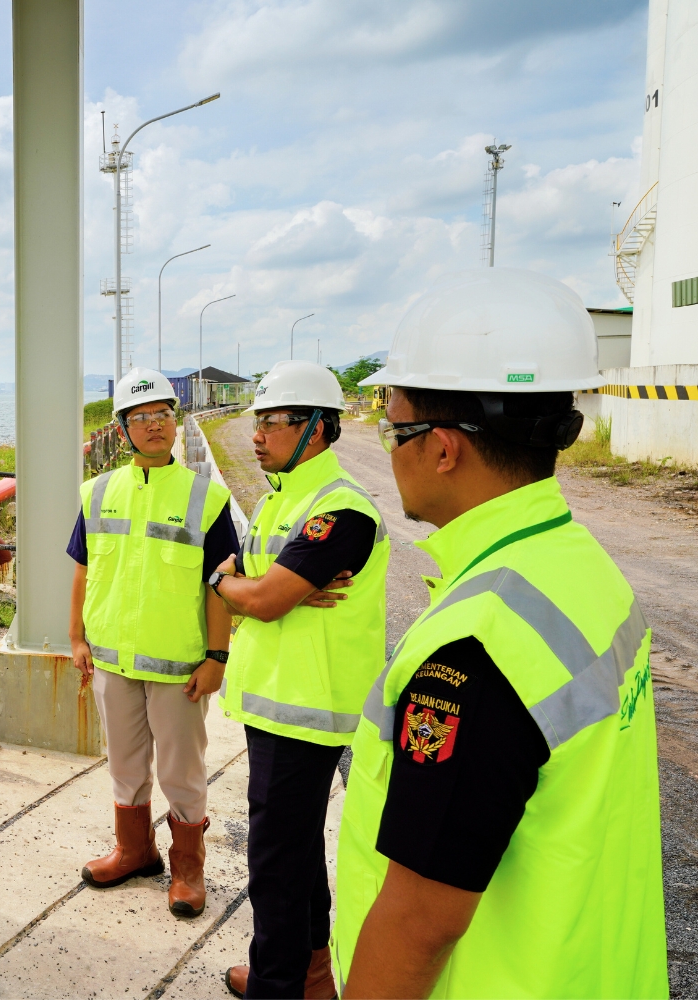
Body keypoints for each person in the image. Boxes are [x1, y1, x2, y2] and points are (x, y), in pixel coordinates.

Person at [333, 268, 666, 997]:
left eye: (395, 429)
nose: (390, 450)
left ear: (443, 448)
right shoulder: (581, 568)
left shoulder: (478, 646)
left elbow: (421, 919)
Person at [208, 360, 388, 999]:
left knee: (276, 865)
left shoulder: (338, 510)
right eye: (255, 423)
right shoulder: (283, 497)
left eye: (271, 423)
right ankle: (312, 977)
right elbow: (259, 587)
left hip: (306, 705)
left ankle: (276, 986)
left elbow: (259, 598)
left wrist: (229, 584)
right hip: (277, 701)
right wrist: (250, 585)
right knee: (296, 852)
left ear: (316, 427)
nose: (257, 436)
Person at [68, 367, 239, 917]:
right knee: (125, 764)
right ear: (121, 430)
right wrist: (78, 638)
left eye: (162, 414)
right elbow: (82, 569)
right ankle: (134, 850)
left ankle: (188, 868)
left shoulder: (205, 498)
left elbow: (222, 584)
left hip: (180, 667)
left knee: (180, 773)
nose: (154, 425)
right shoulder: (97, 492)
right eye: (140, 418)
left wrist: (217, 656)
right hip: (113, 661)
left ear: (175, 419)